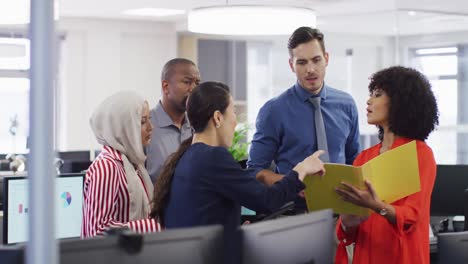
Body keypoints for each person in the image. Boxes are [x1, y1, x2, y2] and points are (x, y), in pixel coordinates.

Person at [150, 81, 325, 263]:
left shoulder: (187, 156)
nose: (235, 120)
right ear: (218, 118)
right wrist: (301, 170)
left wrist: (234, 226)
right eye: (233, 111)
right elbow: (267, 200)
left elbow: (204, 213)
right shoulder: (213, 157)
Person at [247, 27, 360, 213]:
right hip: (294, 210)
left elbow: (354, 160)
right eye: (302, 62)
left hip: (342, 209)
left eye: (316, 60)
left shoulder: (346, 104)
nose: (310, 69)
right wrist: (293, 183)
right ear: (292, 65)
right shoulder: (273, 111)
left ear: (326, 58)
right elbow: (255, 171)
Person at [334, 66, 439, 264]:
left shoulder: (420, 154)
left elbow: (411, 217)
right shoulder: (363, 158)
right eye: (371, 94)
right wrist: (348, 220)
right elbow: (349, 232)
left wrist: (376, 206)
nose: (369, 100)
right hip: (366, 255)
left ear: (399, 102)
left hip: (402, 256)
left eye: (378, 94)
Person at [82, 91, 161, 238]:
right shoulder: (107, 167)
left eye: (149, 119)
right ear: (123, 126)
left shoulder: (134, 162)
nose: (151, 127)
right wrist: (152, 226)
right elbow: (98, 229)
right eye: (142, 121)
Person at [146, 58, 201, 182]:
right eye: (187, 82)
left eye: (197, 83)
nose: (194, 89)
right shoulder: (145, 126)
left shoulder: (198, 127)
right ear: (166, 87)